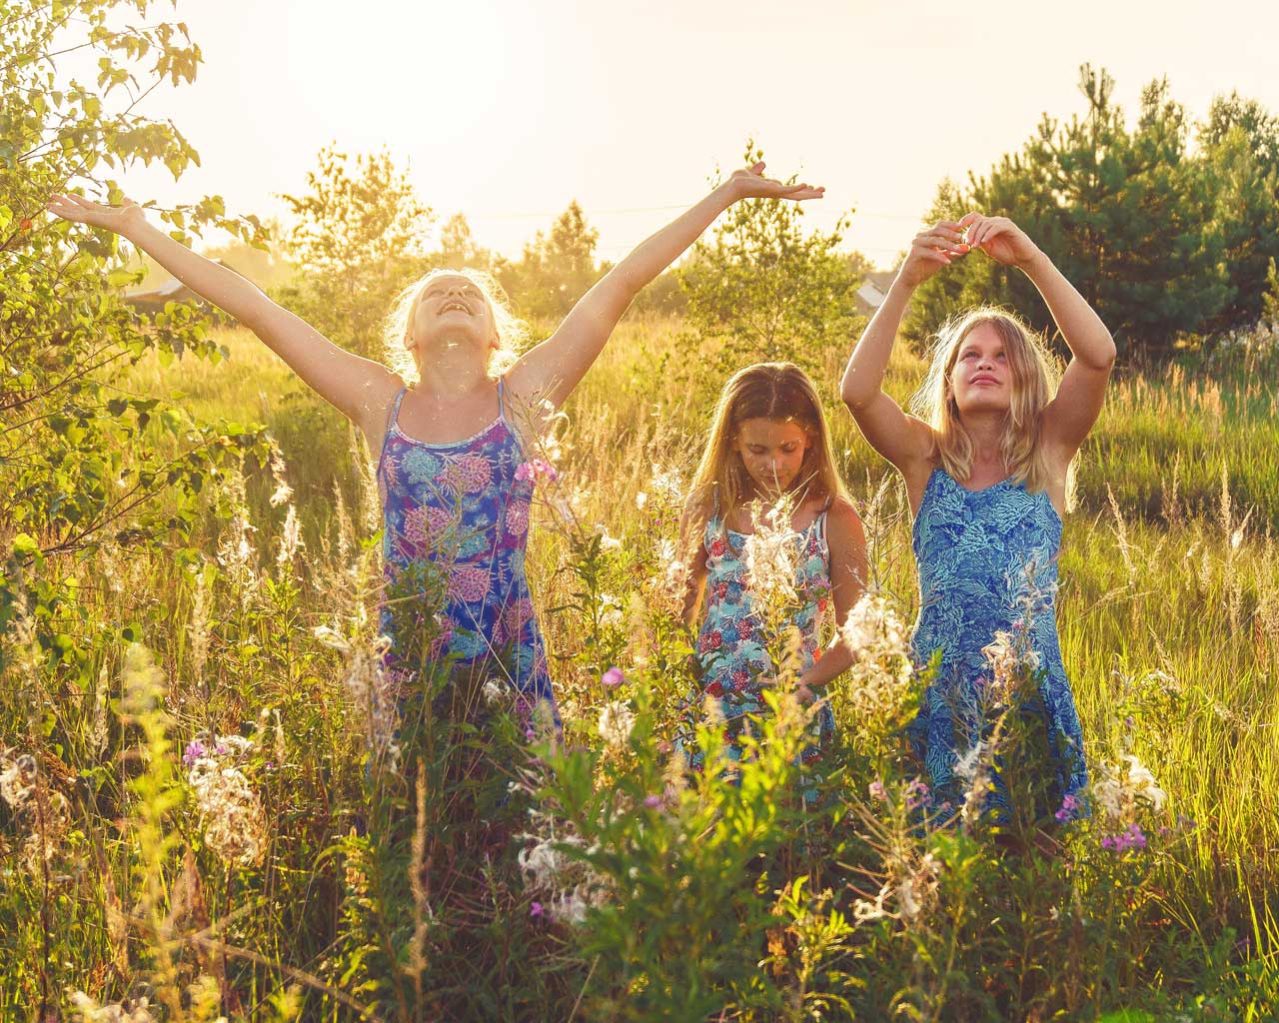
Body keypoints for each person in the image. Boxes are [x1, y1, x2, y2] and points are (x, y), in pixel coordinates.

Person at [48, 163, 825, 733]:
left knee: (524, 824)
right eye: (435, 291)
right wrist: (140, 230)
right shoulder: (377, 399)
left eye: (472, 293)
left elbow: (620, 281)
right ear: (412, 334)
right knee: (419, 824)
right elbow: (255, 306)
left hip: (507, 646)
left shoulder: (520, 398)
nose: (455, 292)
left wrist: (724, 194)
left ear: (493, 335)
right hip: (409, 646)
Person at [839, 212, 1116, 823]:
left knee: (1033, 871)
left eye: (1000, 355)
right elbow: (857, 392)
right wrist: (906, 282)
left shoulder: (1049, 451)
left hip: (1027, 694)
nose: (983, 363)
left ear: (1024, 376)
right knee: (941, 872)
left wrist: (1031, 260)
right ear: (949, 378)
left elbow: (1097, 356)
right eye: (969, 355)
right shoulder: (924, 458)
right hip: (938, 696)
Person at [678, 362, 867, 781]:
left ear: (811, 441)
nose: (775, 465)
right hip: (713, 712)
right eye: (757, 451)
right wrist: (674, 687)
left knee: (789, 831)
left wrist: (808, 683)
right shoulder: (708, 509)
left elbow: (858, 630)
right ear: (732, 443)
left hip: (790, 713)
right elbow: (679, 611)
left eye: (788, 448)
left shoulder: (833, 516)